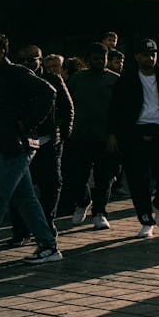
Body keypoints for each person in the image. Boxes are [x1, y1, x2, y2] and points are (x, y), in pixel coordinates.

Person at [0, 32, 62, 264]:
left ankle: (49, 246)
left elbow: (49, 92)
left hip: (12, 148)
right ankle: (48, 246)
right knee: (26, 200)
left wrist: (26, 122)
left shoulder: (15, 72)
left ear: (0, 52)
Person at [107, 38, 159, 238]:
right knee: (138, 180)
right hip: (134, 132)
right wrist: (112, 134)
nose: (150, 58)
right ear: (137, 56)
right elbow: (115, 109)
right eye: (145, 55)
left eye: (153, 55)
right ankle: (145, 220)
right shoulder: (126, 79)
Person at [6, 45, 73, 246]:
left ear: (40, 60)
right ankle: (21, 230)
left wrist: (63, 131)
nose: (27, 64)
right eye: (23, 60)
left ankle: (47, 221)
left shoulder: (53, 79)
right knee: (20, 187)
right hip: (24, 142)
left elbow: (67, 107)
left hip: (49, 141)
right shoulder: (16, 81)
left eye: (31, 60)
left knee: (51, 184)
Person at [61, 43, 121, 229]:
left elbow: (120, 110)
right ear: (89, 60)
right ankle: (82, 202)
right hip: (80, 136)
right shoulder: (78, 79)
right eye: (96, 58)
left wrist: (115, 134)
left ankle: (100, 212)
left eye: (102, 58)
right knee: (77, 176)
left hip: (106, 137)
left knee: (104, 178)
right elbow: (67, 105)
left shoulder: (115, 80)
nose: (99, 62)